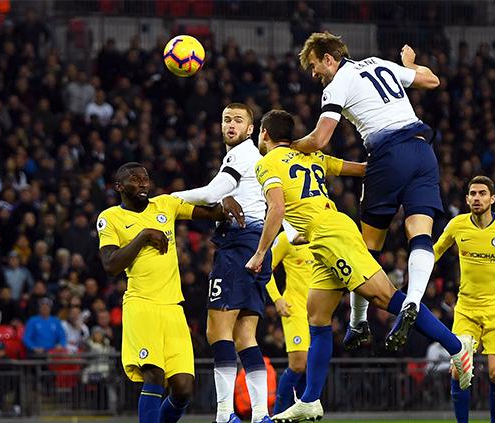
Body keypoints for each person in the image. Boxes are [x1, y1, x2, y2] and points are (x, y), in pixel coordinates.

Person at [246, 110, 474, 423]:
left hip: (332, 236)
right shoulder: (312, 156)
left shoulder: (266, 162)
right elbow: (363, 169)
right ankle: (311, 400)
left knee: (387, 298)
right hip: (324, 235)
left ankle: (456, 346)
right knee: (317, 314)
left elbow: (277, 208)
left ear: (264, 134)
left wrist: (260, 254)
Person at [291, 32, 442, 350]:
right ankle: (413, 300)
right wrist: (409, 66)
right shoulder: (380, 64)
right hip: (423, 152)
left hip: (389, 157)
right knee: (420, 233)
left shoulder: (337, 84)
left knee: (368, 246)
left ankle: (358, 322)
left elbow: (319, 140)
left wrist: (287, 146)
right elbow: (432, 81)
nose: (315, 74)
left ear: (329, 59)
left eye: (316, 66)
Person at [97, 162, 243, 423]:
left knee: (184, 388)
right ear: (119, 187)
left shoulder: (165, 204)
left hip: (173, 308)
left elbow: (210, 212)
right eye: (134, 179)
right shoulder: (110, 217)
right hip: (142, 305)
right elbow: (110, 265)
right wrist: (143, 236)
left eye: (145, 178)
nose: (142, 183)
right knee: (154, 374)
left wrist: (226, 202)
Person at [171, 103, 273, 423]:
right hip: (257, 245)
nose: (231, 125)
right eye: (226, 119)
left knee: (217, 331)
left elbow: (215, 190)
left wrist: (170, 199)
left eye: (238, 120)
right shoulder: (256, 161)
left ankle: (225, 414)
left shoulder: (240, 154)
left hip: (237, 246)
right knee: (245, 336)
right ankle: (260, 415)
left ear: (250, 129)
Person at [433, 175, 495, 423]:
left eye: (482, 194)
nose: (477, 198)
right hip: (466, 308)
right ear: (467, 199)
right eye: (473, 194)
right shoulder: (457, 225)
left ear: (492, 198)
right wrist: (415, 276)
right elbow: (436, 250)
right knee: (459, 371)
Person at [264, 230, 314, 414]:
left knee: (310, 367)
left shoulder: (320, 235)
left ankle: (302, 413)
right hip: (295, 310)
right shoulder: (286, 238)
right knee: (298, 364)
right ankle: (277, 413)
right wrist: (277, 299)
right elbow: (265, 268)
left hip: (318, 312)